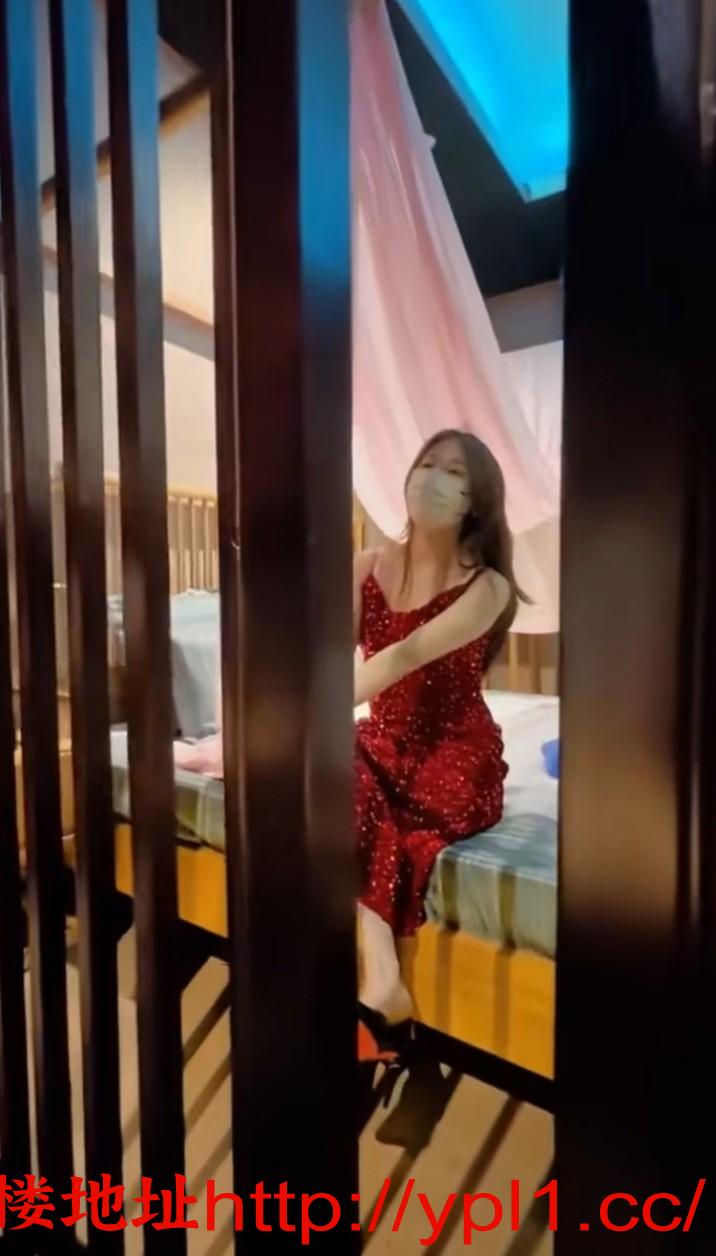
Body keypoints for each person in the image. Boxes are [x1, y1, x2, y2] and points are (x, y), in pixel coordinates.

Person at [354, 429, 528, 1055]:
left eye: (453, 473)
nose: (431, 479)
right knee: (331, 782)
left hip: (454, 752)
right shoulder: (366, 567)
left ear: (474, 501)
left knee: (380, 816)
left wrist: (314, 714)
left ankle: (381, 986)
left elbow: (405, 654)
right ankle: (383, 978)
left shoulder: (488, 587)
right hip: (384, 740)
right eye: (426, 464)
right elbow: (321, 652)